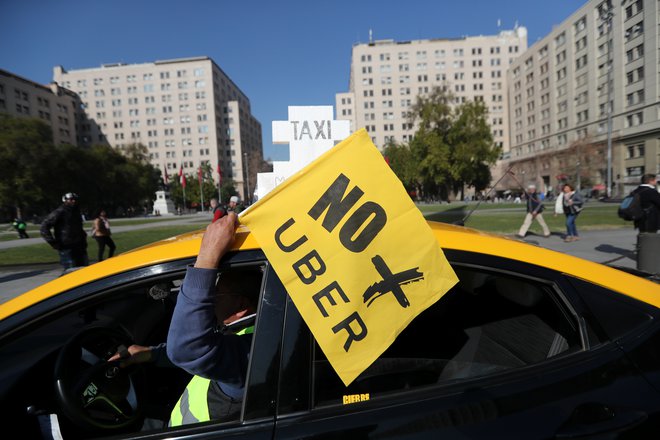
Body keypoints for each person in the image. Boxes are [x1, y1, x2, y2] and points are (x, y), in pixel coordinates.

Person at [109, 213, 258, 427]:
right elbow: (207, 354)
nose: (212, 295)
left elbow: (188, 350)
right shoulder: (239, 332)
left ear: (241, 307)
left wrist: (207, 258)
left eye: (217, 291)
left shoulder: (251, 352)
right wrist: (151, 354)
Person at [40, 192, 88, 272]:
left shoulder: (76, 212)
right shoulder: (60, 212)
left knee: (84, 270)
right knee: (71, 271)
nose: (73, 201)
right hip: (66, 246)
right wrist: (53, 242)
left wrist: (83, 237)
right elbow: (44, 226)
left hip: (80, 245)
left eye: (75, 199)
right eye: (71, 200)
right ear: (65, 200)